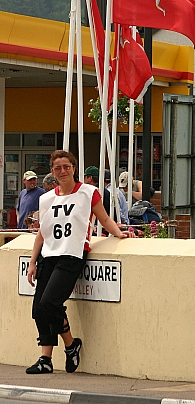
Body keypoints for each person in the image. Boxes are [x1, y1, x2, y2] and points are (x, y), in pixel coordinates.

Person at [26, 150, 127, 375]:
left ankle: (71, 345)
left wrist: (119, 233)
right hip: (49, 255)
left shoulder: (88, 192)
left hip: (72, 254)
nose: (62, 171)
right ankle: (46, 358)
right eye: (58, 168)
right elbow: (43, 232)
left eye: (66, 166)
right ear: (52, 172)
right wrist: (33, 261)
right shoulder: (46, 198)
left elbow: (104, 218)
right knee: (38, 310)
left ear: (74, 168)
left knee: (50, 303)